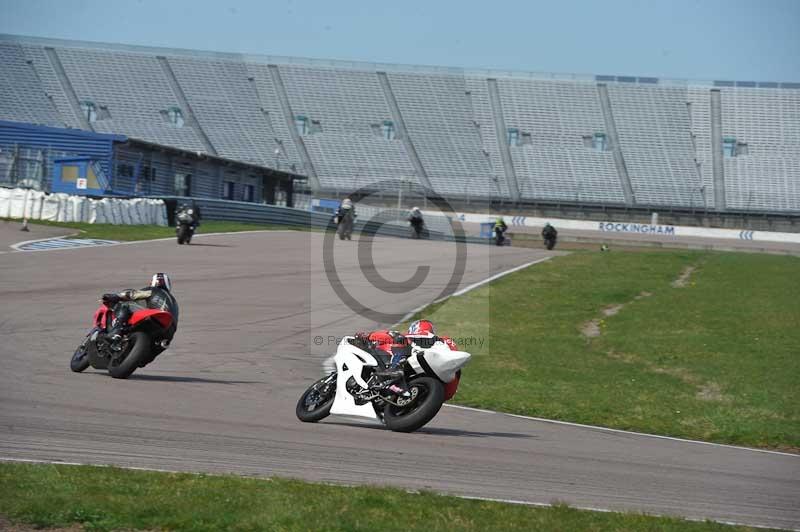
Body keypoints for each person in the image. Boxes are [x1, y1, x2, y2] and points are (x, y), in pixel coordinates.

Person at [102, 273, 179, 345]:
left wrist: (116, 296)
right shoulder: (174, 302)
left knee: (124, 305)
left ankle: (116, 330)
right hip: (169, 331)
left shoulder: (153, 290)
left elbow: (132, 294)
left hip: (156, 316)